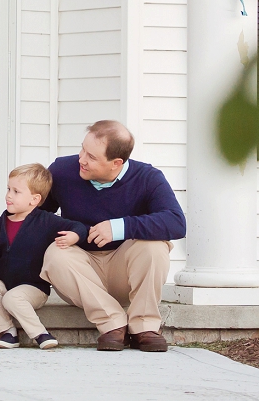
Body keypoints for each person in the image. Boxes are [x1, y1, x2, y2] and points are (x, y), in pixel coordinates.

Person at [40, 119, 186, 352]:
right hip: (82, 270)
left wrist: (119, 227)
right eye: (82, 149)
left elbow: (176, 222)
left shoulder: (148, 178)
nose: (81, 159)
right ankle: (113, 325)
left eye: (92, 157)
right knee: (55, 254)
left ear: (116, 163)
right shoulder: (62, 171)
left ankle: (144, 327)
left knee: (155, 246)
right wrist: (2, 233)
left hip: (124, 271)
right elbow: (34, 214)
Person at [0, 163, 87, 349]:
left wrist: (74, 236)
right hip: (5, 283)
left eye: (16, 191)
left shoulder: (46, 220)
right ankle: (8, 332)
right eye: (9, 189)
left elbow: (78, 227)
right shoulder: (3, 220)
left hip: (34, 288)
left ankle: (40, 334)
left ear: (34, 199)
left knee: (11, 299)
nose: (9, 195)